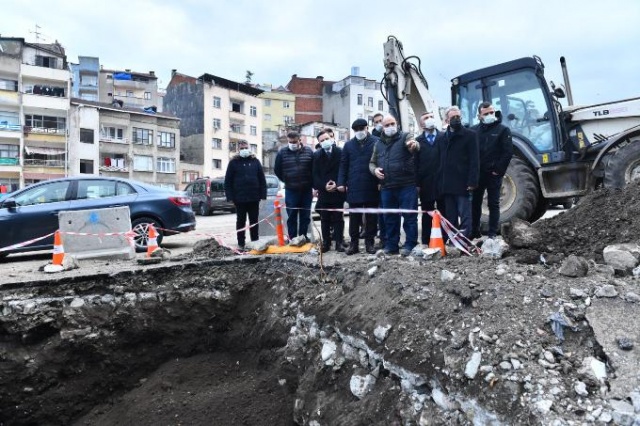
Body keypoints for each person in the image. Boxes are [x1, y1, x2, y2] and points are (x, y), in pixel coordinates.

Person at [369, 114, 420, 256]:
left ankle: (410, 244)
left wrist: (413, 145)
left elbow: (414, 146)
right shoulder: (378, 144)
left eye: (392, 124)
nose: (390, 127)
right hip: (387, 187)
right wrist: (375, 170)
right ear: (382, 128)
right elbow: (372, 163)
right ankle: (392, 245)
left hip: (406, 185)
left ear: (396, 124)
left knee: (409, 217)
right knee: (389, 218)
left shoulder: (405, 137)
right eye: (387, 125)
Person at [338, 118, 380, 255]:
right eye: (356, 130)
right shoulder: (349, 145)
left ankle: (370, 243)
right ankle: (353, 244)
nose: (359, 132)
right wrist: (341, 183)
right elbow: (343, 166)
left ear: (367, 128)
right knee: (354, 217)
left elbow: (380, 162)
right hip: (354, 185)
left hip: (371, 184)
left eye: (362, 129)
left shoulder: (375, 142)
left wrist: (380, 182)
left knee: (371, 217)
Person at [471, 101, 513, 239]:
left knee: (493, 203)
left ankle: (492, 233)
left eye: (491, 112)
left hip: (493, 174)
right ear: (479, 116)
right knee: (475, 203)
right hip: (478, 174)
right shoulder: (474, 131)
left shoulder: (503, 130)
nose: (490, 115)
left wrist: (498, 170)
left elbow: (507, 152)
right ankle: (474, 230)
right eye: (486, 113)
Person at [439, 106, 479, 239]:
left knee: (465, 214)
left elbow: (475, 160)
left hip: (463, 183)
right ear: (446, 120)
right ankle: (453, 240)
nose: (456, 120)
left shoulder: (470, 135)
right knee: (451, 216)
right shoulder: (443, 138)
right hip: (448, 184)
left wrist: (472, 181)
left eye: (458, 117)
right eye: (453, 117)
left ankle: (465, 240)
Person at [224, 140, 267, 250]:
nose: (244, 150)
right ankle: (241, 243)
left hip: (254, 197)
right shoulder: (233, 162)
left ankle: (255, 241)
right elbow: (228, 181)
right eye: (242, 148)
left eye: (245, 148)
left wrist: (263, 195)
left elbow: (262, 179)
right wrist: (230, 197)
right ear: (238, 150)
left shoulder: (255, 161)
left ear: (249, 148)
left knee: (254, 221)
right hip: (240, 198)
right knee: (241, 221)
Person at [274, 131, 314, 240]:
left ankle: (303, 237)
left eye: (294, 142)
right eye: (290, 142)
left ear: (299, 140)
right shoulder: (282, 153)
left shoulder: (309, 151)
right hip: (291, 190)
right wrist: (287, 180)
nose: (292, 144)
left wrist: (312, 183)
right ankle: (292, 238)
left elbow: (313, 169)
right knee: (292, 216)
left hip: (306, 190)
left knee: (305, 216)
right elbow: (277, 170)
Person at [313, 130, 346, 252]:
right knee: (324, 219)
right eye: (322, 140)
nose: (325, 142)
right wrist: (323, 186)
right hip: (324, 192)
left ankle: (339, 242)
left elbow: (343, 170)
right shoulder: (316, 155)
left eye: (326, 139)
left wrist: (338, 184)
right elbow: (315, 176)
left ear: (331, 139)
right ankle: (326, 243)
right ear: (319, 143)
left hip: (337, 191)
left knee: (338, 218)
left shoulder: (340, 152)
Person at [415, 111, 445, 245]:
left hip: (442, 182)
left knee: (444, 212)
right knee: (427, 213)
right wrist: (417, 184)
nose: (430, 119)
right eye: (426, 118)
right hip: (426, 183)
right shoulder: (418, 142)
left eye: (431, 117)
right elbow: (415, 164)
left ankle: (445, 237)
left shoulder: (443, 137)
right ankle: (426, 240)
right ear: (422, 124)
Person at [370, 112, 386, 247]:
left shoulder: (392, 135)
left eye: (381, 120)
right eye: (376, 122)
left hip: (392, 179)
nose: (379, 123)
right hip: (377, 180)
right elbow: (372, 162)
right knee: (380, 211)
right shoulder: (373, 139)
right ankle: (382, 237)